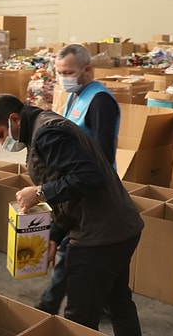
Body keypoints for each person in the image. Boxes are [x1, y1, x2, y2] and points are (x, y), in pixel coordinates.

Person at [0, 93, 143, 335]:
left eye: (1, 135)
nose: (3, 143)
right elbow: (68, 191)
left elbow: (88, 177)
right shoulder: (41, 126)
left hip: (99, 235)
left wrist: (39, 192)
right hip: (118, 227)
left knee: (79, 318)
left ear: (14, 119)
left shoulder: (46, 133)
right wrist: (55, 235)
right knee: (118, 300)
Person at [37, 43, 120, 314]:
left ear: (87, 69)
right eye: (60, 72)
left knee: (68, 251)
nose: (64, 78)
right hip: (77, 187)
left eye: (69, 72)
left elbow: (104, 156)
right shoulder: (76, 95)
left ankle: (46, 307)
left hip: (91, 190)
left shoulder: (100, 101)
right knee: (90, 255)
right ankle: (109, 303)